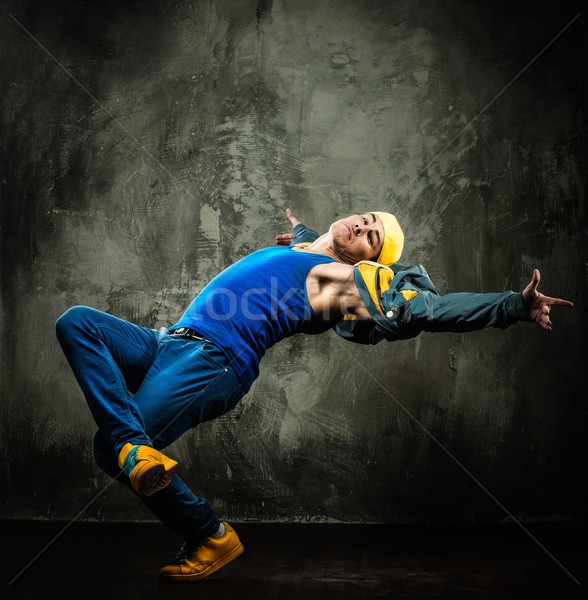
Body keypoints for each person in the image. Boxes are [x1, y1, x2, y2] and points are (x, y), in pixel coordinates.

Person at [54, 208, 572, 583]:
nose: (363, 227)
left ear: (369, 261)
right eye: (367, 218)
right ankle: (136, 452)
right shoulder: (306, 251)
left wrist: (511, 305)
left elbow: (424, 311)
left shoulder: (335, 280)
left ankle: (209, 533)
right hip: (168, 341)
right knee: (77, 323)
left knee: (110, 448)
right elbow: (314, 243)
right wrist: (304, 232)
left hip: (213, 362)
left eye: (372, 238)